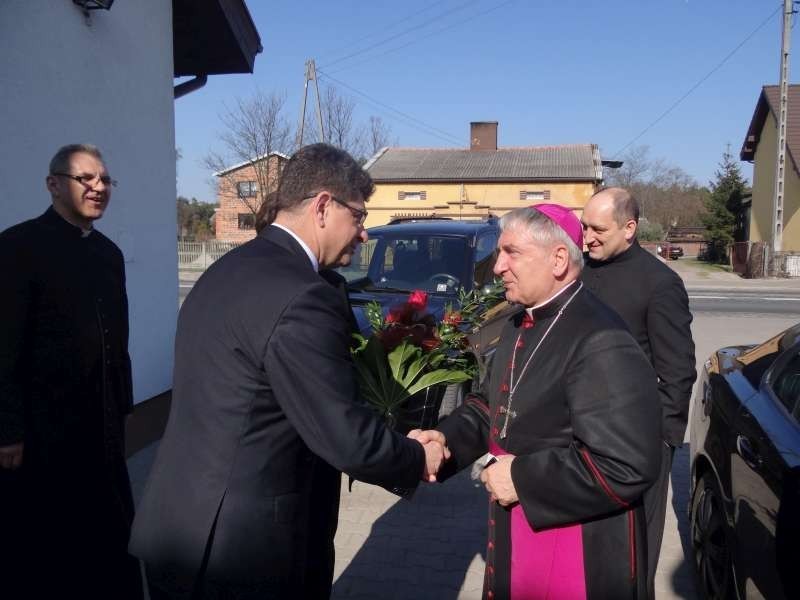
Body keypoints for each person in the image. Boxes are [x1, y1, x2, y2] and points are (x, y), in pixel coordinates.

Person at [129, 143, 447, 599]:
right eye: (358, 217)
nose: (363, 234)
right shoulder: (302, 296)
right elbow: (342, 433)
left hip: (180, 525)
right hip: (240, 549)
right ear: (322, 206)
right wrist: (417, 457)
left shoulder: (229, 268)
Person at [417, 203, 662, 599]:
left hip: (575, 548)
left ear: (559, 259)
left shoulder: (600, 339)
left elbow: (625, 465)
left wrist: (521, 478)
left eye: (512, 252)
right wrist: (445, 441)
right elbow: (490, 405)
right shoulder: (520, 321)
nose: (497, 267)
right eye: (500, 252)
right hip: (519, 531)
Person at [0, 144, 142, 598]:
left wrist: (124, 409)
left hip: (101, 428)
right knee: (46, 550)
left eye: (104, 179)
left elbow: (117, 342)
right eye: (86, 178)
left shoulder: (109, 254)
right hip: (43, 433)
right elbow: (4, 345)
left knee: (108, 542)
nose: (98, 187)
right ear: (54, 184)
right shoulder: (18, 247)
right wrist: (8, 429)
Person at [580, 187, 696, 597]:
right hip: (581, 438)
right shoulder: (581, 270)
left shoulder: (660, 283)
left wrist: (661, 441)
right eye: (583, 227)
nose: (587, 238)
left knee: (632, 560)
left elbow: (679, 371)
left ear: (629, 228)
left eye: (598, 229)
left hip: (637, 445)